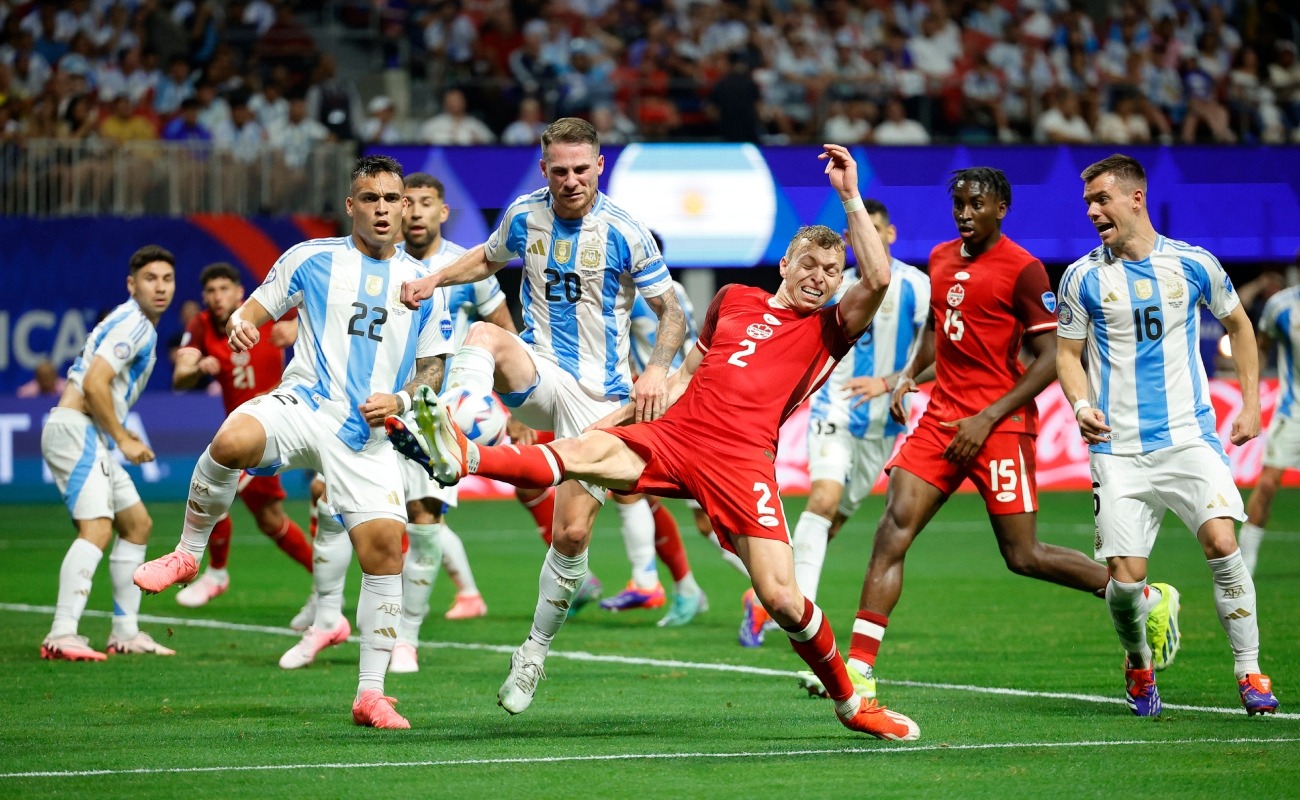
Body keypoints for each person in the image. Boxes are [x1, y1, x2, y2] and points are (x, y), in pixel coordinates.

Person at [400, 144, 920, 741]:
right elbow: (681, 381)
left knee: (780, 597)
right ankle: (463, 456)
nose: (819, 279)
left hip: (742, 461)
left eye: (830, 272)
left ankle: (852, 704)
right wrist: (617, 419)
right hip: (675, 436)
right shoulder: (733, 301)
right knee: (579, 453)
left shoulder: (830, 328)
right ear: (785, 263)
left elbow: (877, 276)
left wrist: (850, 195)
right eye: (809, 265)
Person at [133, 155, 454, 730]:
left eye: (391, 199)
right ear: (351, 206)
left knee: (385, 554)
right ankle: (187, 552)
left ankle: (370, 695)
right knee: (232, 438)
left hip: (368, 431)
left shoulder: (423, 286)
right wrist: (243, 323)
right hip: (306, 404)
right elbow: (259, 306)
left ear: (406, 207)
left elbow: (432, 367)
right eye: (369, 198)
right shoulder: (311, 259)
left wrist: (403, 402)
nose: (381, 209)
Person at [840, 166, 1180, 702]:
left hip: (1000, 426)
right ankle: (858, 669)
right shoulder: (941, 258)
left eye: (976, 204)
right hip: (941, 422)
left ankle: (1139, 593)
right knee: (892, 531)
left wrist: (987, 417)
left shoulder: (1025, 271)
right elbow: (938, 333)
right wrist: (907, 374)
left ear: (1001, 207)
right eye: (958, 205)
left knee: (1022, 556)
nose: (965, 214)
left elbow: (1050, 359)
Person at [396, 117, 689, 712]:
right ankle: (463, 418)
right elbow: (485, 258)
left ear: (599, 166)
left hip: (604, 399)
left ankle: (532, 655)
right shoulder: (525, 214)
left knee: (573, 532)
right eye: (560, 170)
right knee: (483, 333)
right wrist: (433, 278)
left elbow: (672, 313)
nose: (572, 180)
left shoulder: (627, 232)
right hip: (541, 367)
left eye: (582, 168)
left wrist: (656, 369)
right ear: (544, 169)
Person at [1057, 153, 1278, 717]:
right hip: (1117, 450)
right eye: (1087, 202)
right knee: (1126, 586)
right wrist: (1080, 404)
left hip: (1187, 438)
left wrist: (1251, 403)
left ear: (1135, 198)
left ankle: (1250, 672)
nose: (1092, 211)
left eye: (1101, 199)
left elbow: (1239, 325)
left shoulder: (1193, 264)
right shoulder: (1083, 276)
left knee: (1222, 545)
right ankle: (1138, 663)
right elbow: (1067, 355)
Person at [782, 200, 930, 665]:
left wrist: (892, 383)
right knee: (822, 501)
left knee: (837, 518)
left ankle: (769, 590)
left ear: (888, 235)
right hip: (834, 409)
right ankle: (796, 608)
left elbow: (941, 354)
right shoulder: (833, 284)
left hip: (884, 421)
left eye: (876, 229)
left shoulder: (917, 286)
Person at [39, 245, 177, 661]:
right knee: (97, 529)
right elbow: (95, 384)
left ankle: (125, 633)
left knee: (136, 524)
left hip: (87, 433)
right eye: (150, 279)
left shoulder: (138, 326)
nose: (160, 287)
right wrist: (124, 439)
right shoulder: (133, 323)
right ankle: (61, 633)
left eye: (167, 279)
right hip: (77, 428)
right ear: (131, 285)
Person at [170, 263, 315, 612]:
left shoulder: (267, 312)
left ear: (239, 293)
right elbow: (180, 377)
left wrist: (298, 327)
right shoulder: (201, 325)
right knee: (271, 521)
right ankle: (325, 585)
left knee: (213, 486)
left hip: (278, 423)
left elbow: (327, 320)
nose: (217, 297)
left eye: (224, 289)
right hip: (240, 432)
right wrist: (196, 369)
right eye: (211, 291)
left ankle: (217, 573)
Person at [1238, 282, 1300, 575]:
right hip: (1293, 411)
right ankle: (1245, 561)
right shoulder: (1281, 306)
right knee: (1267, 484)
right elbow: (1259, 346)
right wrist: (1253, 392)